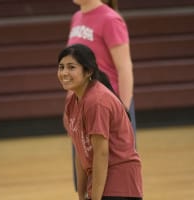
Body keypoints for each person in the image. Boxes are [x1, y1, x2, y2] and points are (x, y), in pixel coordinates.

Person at [57, 44, 142, 200]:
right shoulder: (72, 101)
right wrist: (81, 194)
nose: (64, 73)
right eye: (61, 67)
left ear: (88, 71)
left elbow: (101, 154)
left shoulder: (97, 102)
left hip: (120, 184)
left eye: (71, 67)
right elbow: (80, 151)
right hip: (101, 181)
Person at [67, 0, 136, 133]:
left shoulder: (110, 20)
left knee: (113, 154)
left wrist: (123, 113)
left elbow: (125, 68)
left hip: (107, 108)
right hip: (82, 109)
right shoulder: (76, 17)